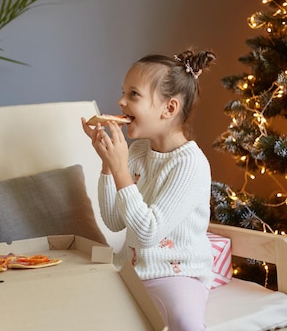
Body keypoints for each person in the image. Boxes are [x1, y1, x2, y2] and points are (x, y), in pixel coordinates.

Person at [81, 51, 217, 331]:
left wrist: (120, 170)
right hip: (130, 271)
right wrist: (109, 165)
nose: (121, 102)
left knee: (185, 323)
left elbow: (147, 233)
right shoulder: (140, 150)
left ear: (169, 109)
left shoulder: (190, 165)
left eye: (133, 94)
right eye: (123, 92)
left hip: (177, 273)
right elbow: (114, 220)